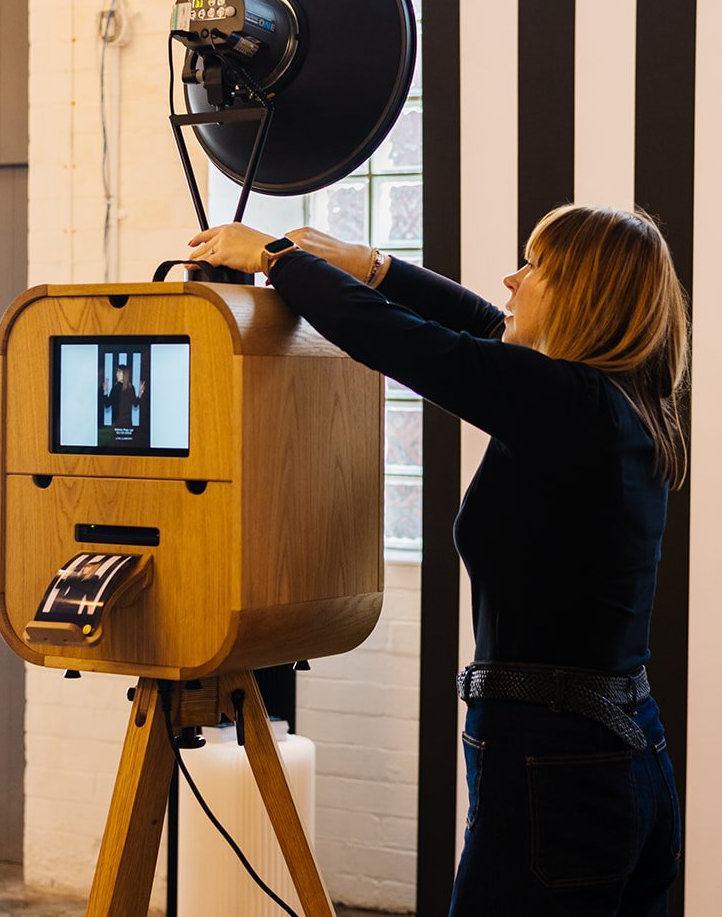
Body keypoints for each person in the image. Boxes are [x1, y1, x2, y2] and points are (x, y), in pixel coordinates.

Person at [188, 204, 688, 916]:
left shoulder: (565, 404)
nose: (512, 279)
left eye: (535, 266)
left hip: (558, 764)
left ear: (582, 294)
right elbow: (479, 324)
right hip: (624, 755)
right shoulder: (621, 402)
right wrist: (371, 265)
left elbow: (408, 344)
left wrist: (275, 258)